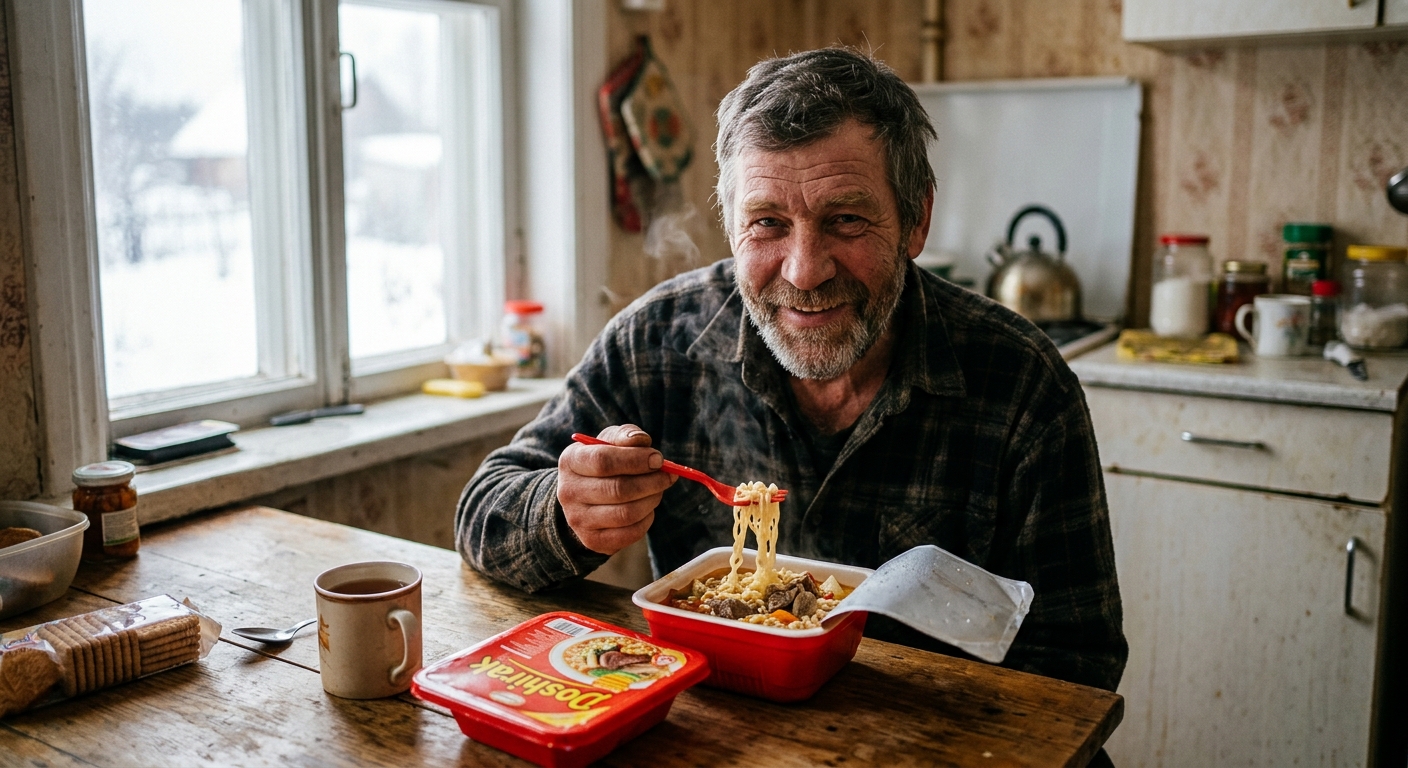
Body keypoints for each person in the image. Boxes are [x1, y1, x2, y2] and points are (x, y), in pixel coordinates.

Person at [457, 47, 1127, 695]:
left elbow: (1078, 662)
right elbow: (482, 514)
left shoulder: (1022, 384)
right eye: (768, 223)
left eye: (845, 220)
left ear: (916, 219)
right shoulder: (656, 343)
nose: (804, 270)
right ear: (729, 221)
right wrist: (567, 511)